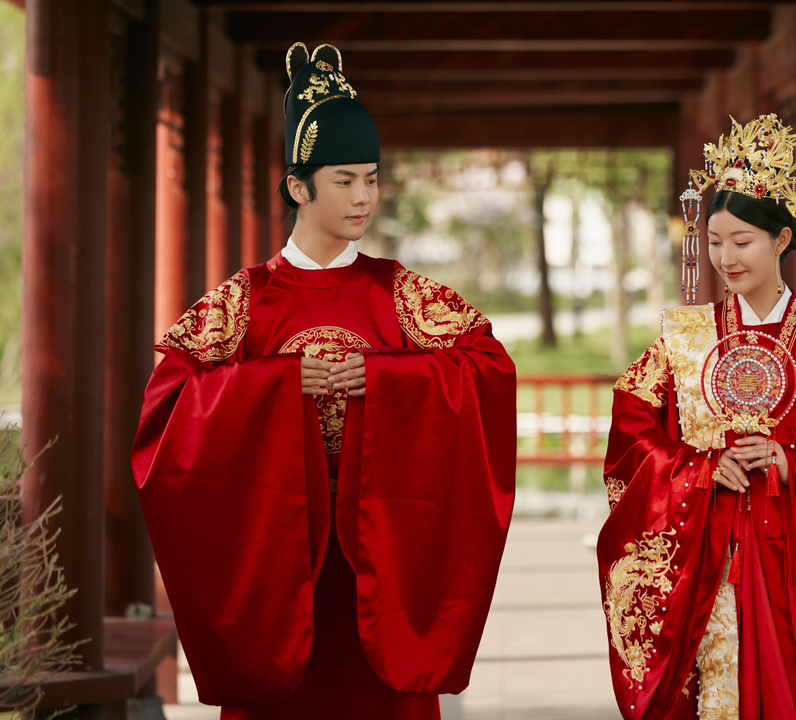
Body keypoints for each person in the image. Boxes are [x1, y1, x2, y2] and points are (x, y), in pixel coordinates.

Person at [132, 43, 517, 719]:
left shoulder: (402, 294)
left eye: (372, 179)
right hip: (278, 566)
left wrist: (386, 380)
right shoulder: (245, 301)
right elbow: (166, 409)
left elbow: (489, 370)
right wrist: (278, 386)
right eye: (344, 180)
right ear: (298, 188)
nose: (364, 197)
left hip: (383, 563)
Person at [597, 114, 796, 719]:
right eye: (714, 241)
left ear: (783, 240)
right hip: (707, 555)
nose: (725, 257)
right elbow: (632, 427)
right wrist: (696, 470)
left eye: (741, 241)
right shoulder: (683, 339)